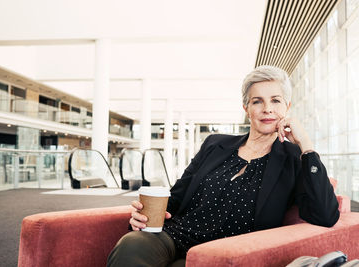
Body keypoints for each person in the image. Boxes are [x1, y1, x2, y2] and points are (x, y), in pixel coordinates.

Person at [107, 65, 340, 267]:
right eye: (257, 101)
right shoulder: (215, 144)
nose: (267, 108)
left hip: (223, 254)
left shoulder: (294, 159)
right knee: (133, 244)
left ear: (287, 107)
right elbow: (177, 197)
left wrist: (306, 145)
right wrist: (144, 215)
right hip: (176, 236)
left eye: (275, 100)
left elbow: (325, 215)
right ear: (246, 108)